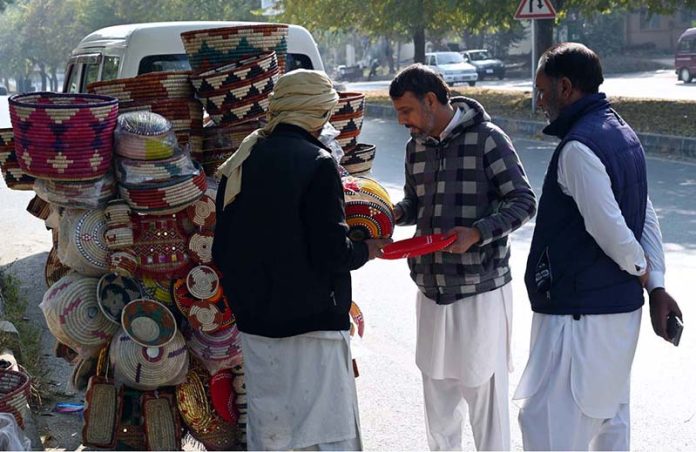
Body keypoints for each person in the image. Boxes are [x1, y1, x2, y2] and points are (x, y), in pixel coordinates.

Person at [515, 42, 683, 451]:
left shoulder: (578, 149)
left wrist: (648, 277)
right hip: (614, 316)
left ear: (566, 88)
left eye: (542, 91)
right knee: (610, 425)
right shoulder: (622, 132)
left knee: (551, 431)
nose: (539, 102)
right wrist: (655, 285)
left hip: (580, 321)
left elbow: (613, 232)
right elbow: (645, 216)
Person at [212, 69, 390, 451]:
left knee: (274, 433)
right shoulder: (318, 163)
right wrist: (367, 249)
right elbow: (332, 253)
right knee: (324, 436)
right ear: (319, 114)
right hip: (313, 331)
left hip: (257, 327)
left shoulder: (241, 162)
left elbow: (221, 251)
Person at [389, 64, 537, 450]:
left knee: (486, 403)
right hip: (430, 293)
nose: (403, 121)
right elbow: (414, 201)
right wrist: (393, 214)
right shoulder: (414, 147)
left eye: (406, 111)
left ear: (432, 101)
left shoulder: (488, 139)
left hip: (480, 292)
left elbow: (523, 201)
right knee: (438, 406)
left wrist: (478, 233)